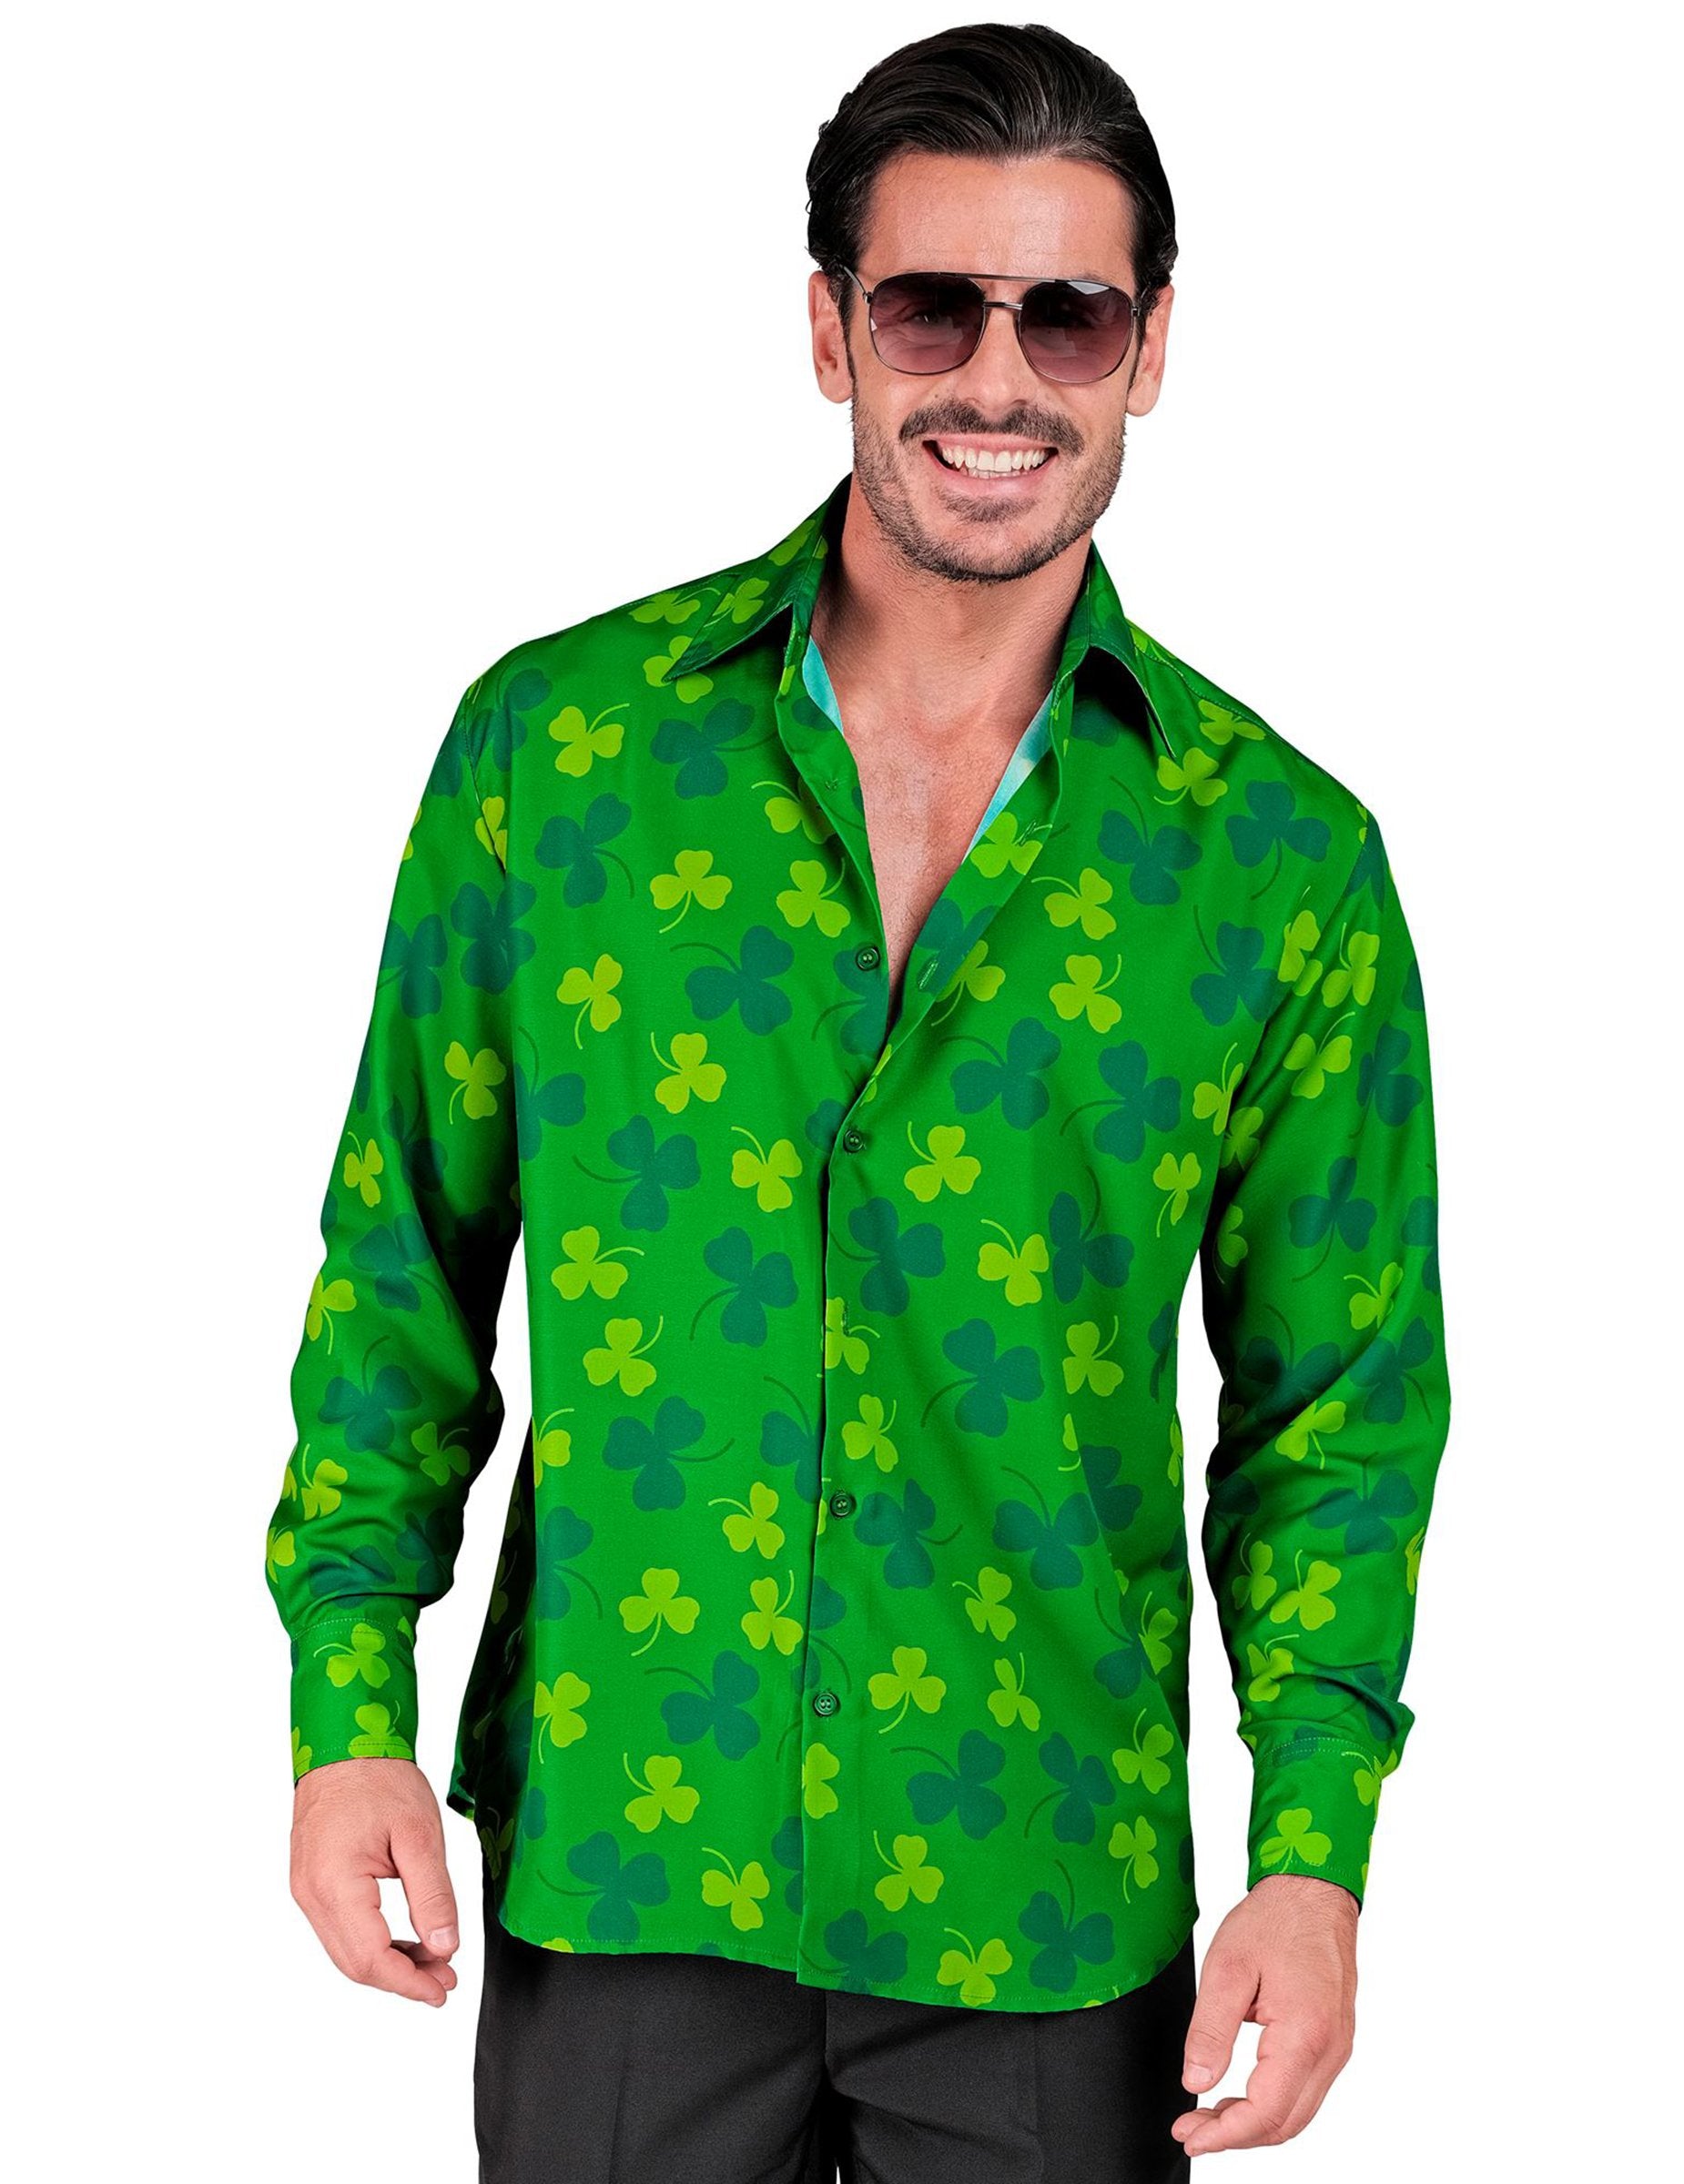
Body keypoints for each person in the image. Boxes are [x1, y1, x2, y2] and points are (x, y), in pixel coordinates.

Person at [263, 22, 1452, 2179]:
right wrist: (348, 1707)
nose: (997, 377)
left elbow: (1336, 1421)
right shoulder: (560, 756)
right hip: (628, 1851)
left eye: (1065, 314)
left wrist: (1313, 1856)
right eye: (929, 307)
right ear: (828, 331)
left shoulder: (1279, 866)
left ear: (1149, 350)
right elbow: (401, 1265)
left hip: (1043, 1890)